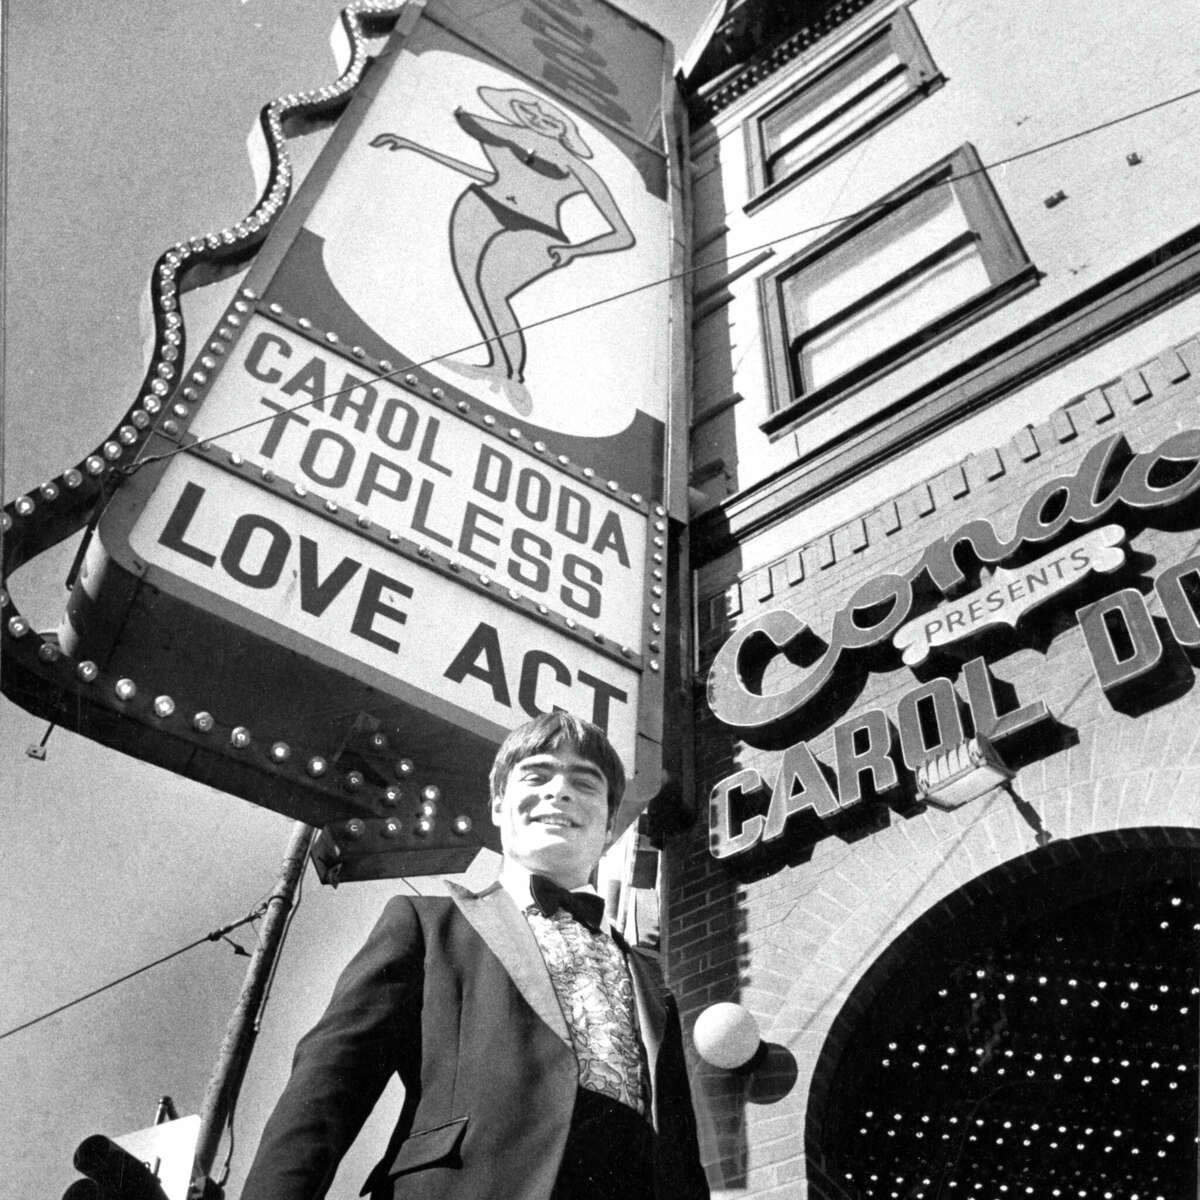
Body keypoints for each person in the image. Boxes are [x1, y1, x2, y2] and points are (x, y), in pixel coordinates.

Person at [239, 712, 709, 1200]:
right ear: (498, 805)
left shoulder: (651, 981)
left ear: (610, 824)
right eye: (536, 774)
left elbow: (682, 1158)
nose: (559, 791)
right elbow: (324, 1094)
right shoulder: (426, 926)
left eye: (585, 783)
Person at [370, 86, 635, 416]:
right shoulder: (511, 138)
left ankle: (515, 376)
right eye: (528, 112)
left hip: (537, 230)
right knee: (473, 291)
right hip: (479, 204)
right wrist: (416, 147)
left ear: (566, 129)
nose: (537, 119)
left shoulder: (578, 168)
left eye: (548, 118)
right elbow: (488, 165)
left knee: (492, 291)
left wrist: (576, 251)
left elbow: (622, 235)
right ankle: (497, 365)